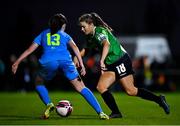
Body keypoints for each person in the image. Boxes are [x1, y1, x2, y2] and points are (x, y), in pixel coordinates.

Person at [12, 13, 109, 120]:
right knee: (81, 87)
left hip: (48, 62)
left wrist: (17, 62)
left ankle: (49, 104)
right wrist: (82, 64)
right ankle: (101, 112)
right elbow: (75, 48)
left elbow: (30, 49)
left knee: (38, 81)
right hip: (66, 61)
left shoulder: (43, 34)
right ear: (62, 25)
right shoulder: (65, 35)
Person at [74, 12, 170, 118]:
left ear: (91, 24)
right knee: (101, 87)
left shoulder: (99, 32)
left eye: (83, 26)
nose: (82, 29)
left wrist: (101, 61)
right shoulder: (90, 36)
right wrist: (77, 57)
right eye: (81, 27)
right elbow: (86, 49)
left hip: (120, 60)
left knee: (131, 90)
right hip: (111, 64)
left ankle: (159, 99)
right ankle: (116, 112)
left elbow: (106, 44)